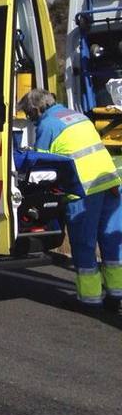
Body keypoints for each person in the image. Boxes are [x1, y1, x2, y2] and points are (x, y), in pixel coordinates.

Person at [19, 89, 122, 309]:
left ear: (36, 109)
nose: (30, 118)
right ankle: (117, 295)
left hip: (83, 189)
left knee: (84, 243)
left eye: (29, 114)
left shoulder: (47, 125)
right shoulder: (77, 116)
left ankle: (90, 299)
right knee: (111, 241)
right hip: (110, 182)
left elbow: (40, 164)